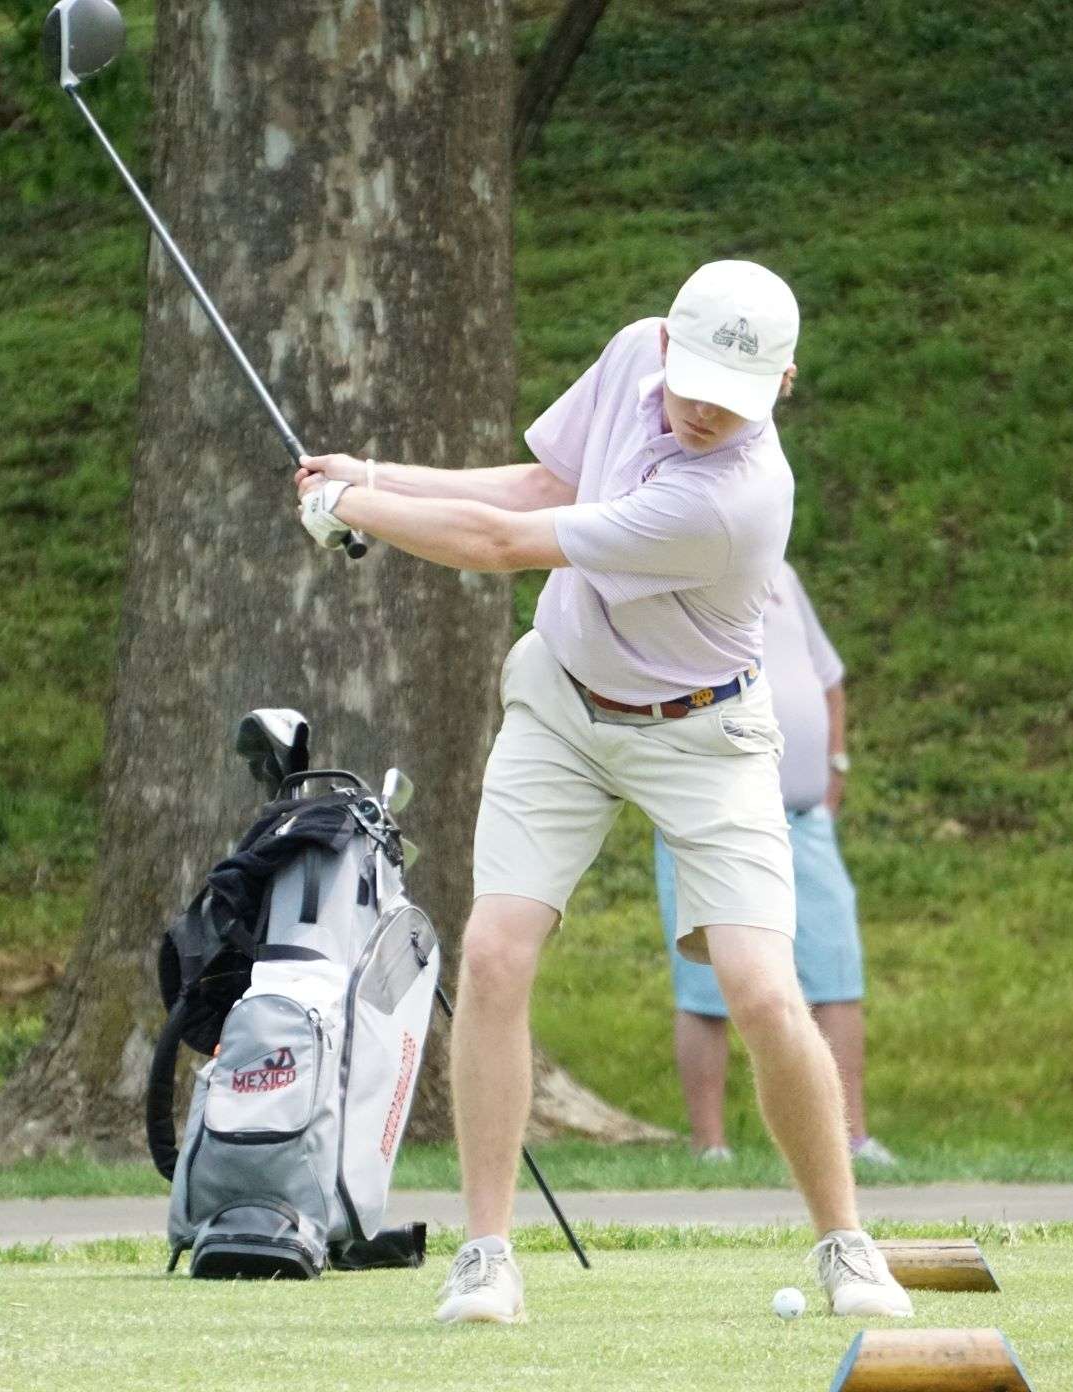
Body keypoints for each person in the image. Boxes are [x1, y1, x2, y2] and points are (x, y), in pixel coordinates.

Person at [292, 260, 912, 1325]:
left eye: (738, 395)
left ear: (784, 383)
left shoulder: (731, 498)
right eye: (695, 380)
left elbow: (500, 546)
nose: (707, 410)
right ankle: (486, 1255)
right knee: (491, 952)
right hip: (564, 709)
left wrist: (359, 508)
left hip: (705, 736)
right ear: (664, 343)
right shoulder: (633, 353)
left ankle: (845, 1244)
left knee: (762, 990)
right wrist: (380, 477)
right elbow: (539, 487)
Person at [654, 560, 898, 1168]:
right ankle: (710, 1147)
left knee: (836, 972)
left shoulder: (783, 574)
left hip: (803, 820)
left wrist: (835, 770)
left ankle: (851, 1138)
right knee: (706, 981)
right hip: (707, 818)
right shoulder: (667, 573)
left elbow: (829, 680)